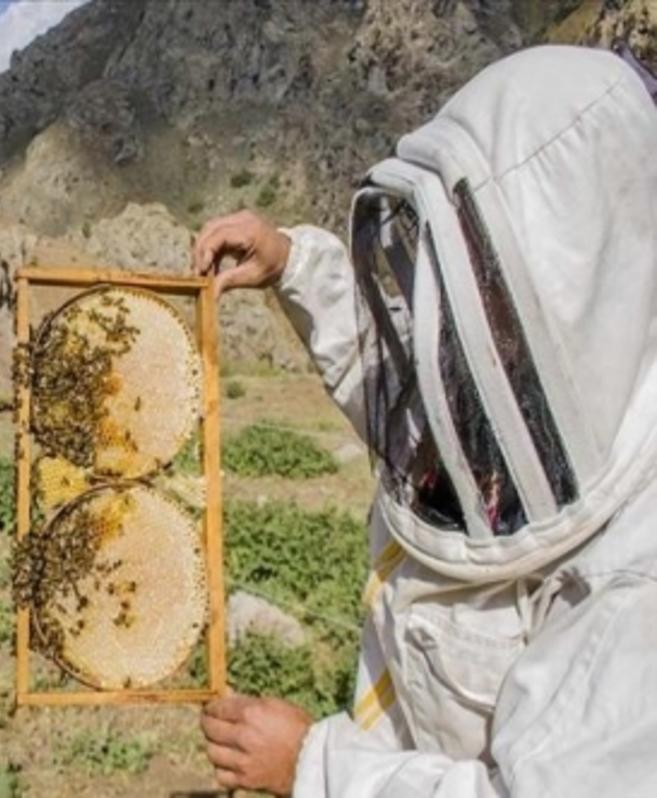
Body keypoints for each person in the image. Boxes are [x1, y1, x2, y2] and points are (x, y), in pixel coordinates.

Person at [192, 44, 657, 797]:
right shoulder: (533, 379)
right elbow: (410, 404)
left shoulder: (637, 582)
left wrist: (318, 769)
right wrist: (293, 266)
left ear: (578, 259)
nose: (462, 295)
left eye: (486, 267)